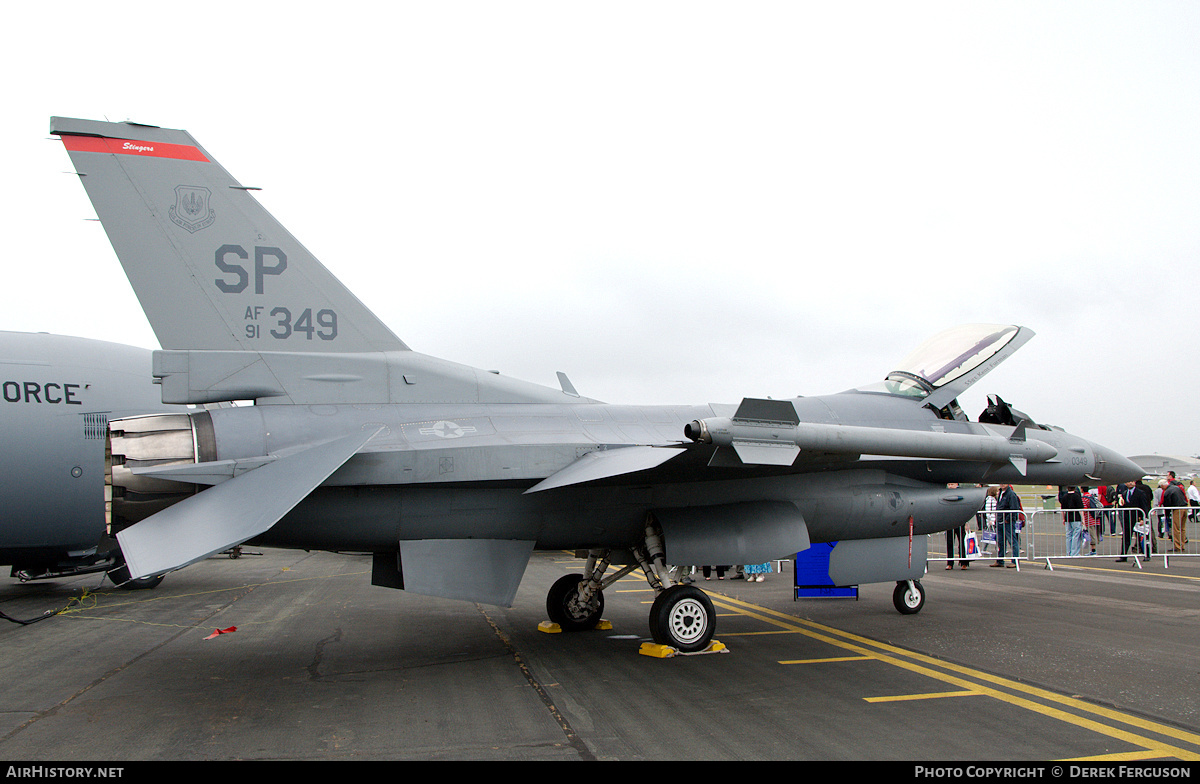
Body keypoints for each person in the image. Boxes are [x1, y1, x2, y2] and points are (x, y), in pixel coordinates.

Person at [993, 484, 1020, 568]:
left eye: (1004, 483)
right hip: (1000, 520)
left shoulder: (1011, 494)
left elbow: (1014, 508)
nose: (1002, 484)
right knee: (1000, 542)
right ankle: (1000, 560)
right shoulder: (1000, 493)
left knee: (1012, 541)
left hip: (1007, 522)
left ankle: (1015, 561)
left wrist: (1007, 519)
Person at [1161, 479, 1188, 553]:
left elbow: (1167, 504)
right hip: (1185, 507)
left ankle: (1177, 546)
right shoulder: (1177, 488)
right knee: (1182, 528)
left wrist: (1167, 515)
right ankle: (1182, 545)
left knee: (1176, 528)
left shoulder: (1167, 492)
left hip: (1177, 509)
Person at [1059, 486, 1084, 557]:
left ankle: (1068, 552)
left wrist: (1064, 518)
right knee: (1076, 535)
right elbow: (1080, 509)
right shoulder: (1077, 496)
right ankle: (1074, 552)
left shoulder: (1064, 497)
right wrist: (1083, 519)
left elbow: (1062, 510)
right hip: (1076, 517)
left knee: (1068, 535)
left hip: (1068, 517)